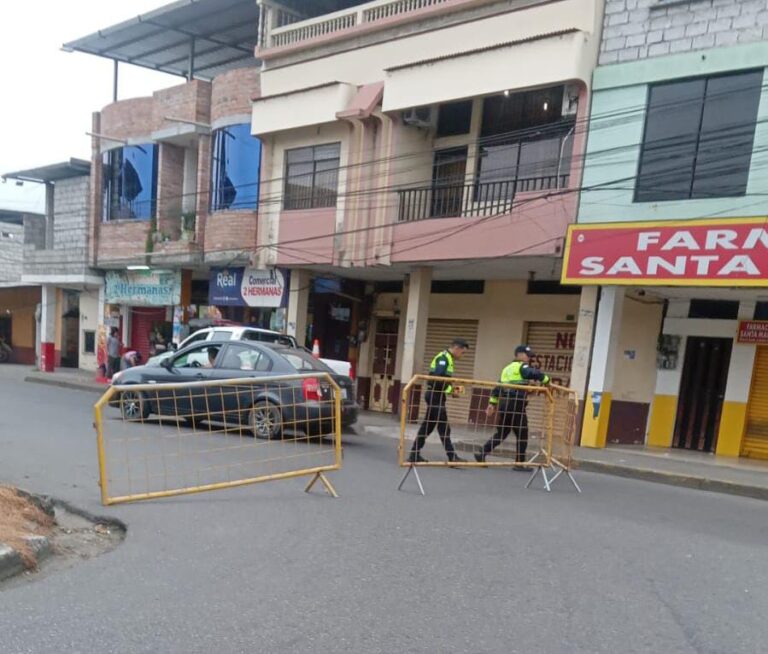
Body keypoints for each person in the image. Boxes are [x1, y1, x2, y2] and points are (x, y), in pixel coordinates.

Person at [475, 345, 550, 469]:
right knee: (522, 434)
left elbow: (497, 388)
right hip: (516, 405)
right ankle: (519, 464)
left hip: (505, 404)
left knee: (502, 433)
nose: (528, 358)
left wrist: (492, 404)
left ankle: (482, 453)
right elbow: (532, 373)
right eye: (527, 355)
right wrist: (547, 380)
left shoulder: (506, 369)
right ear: (519, 355)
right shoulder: (522, 366)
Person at [408, 338, 470, 464]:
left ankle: (414, 454)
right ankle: (452, 457)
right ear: (457, 348)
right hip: (434, 396)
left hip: (436, 396)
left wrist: (450, 390)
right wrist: (450, 390)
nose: (462, 356)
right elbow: (437, 380)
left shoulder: (448, 358)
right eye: (463, 352)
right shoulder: (443, 358)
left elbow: (441, 381)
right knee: (444, 428)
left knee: (427, 427)